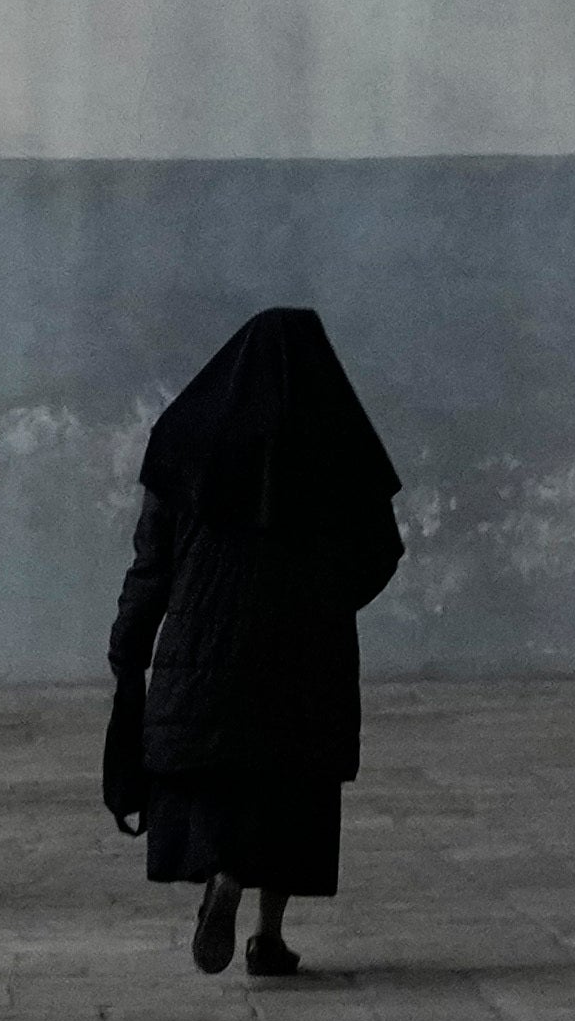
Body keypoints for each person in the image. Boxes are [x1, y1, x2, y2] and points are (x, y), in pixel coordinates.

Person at [104, 305, 400, 978]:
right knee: (293, 786)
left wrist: (129, 641)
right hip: (305, 652)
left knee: (222, 778)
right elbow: (381, 551)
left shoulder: (187, 435)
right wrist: (327, 601)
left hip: (202, 652)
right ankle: (267, 935)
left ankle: (224, 874)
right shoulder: (336, 438)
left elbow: (151, 560)